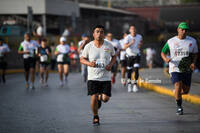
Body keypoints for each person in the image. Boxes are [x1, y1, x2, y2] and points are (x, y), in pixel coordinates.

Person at [80, 25, 116, 125]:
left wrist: (110, 65)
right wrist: (89, 63)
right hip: (93, 77)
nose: (99, 34)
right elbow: (82, 59)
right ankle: (95, 116)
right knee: (93, 97)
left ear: (104, 34)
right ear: (93, 34)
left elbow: (114, 56)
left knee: (105, 99)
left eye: (101, 32)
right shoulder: (89, 46)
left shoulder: (109, 45)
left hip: (105, 77)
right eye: (97, 32)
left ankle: (100, 98)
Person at [161, 22, 198, 115]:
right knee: (178, 84)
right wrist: (166, 59)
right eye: (182, 29)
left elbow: (195, 53)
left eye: (186, 30)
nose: (184, 31)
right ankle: (179, 106)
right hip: (174, 67)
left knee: (185, 91)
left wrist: (193, 62)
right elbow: (162, 52)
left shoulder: (192, 41)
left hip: (186, 68)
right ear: (178, 30)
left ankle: (176, 94)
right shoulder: (171, 41)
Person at [123, 25, 143, 92]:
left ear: (136, 30)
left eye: (134, 29)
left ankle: (135, 85)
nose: (133, 30)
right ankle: (129, 84)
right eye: (132, 29)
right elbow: (124, 47)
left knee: (136, 69)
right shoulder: (127, 37)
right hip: (129, 56)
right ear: (130, 30)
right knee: (129, 70)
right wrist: (131, 43)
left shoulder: (139, 36)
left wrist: (140, 45)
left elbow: (140, 43)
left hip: (137, 55)